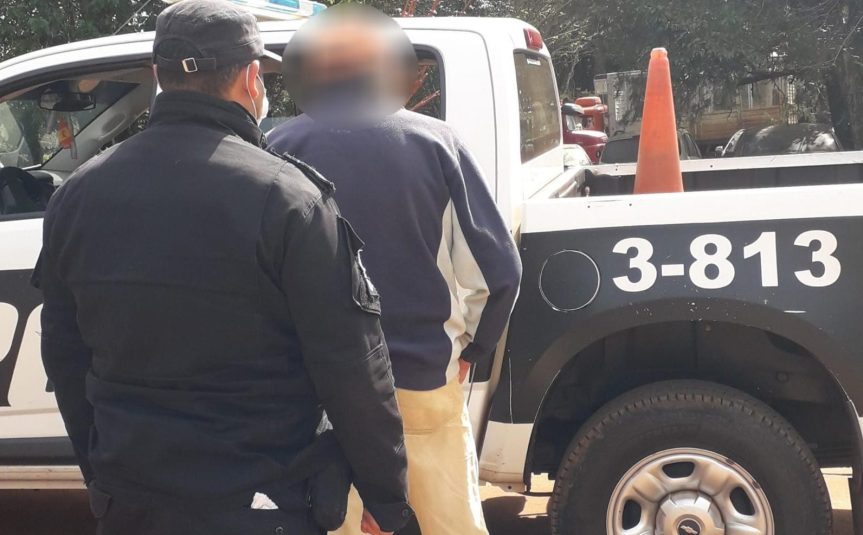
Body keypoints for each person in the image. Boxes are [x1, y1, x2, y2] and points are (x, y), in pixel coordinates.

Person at [33, 1, 411, 534]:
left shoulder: (77, 195)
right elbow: (351, 366)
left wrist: (102, 474)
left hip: (132, 498)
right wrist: (386, 496)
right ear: (252, 79)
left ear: (157, 76)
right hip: (263, 501)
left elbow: (64, 354)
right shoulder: (289, 199)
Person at [269, 6, 523, 535]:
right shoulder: (436, 142)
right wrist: (472, 349)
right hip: (421, 377)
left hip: (315, 393)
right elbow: (500, 272)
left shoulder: (277, 149)